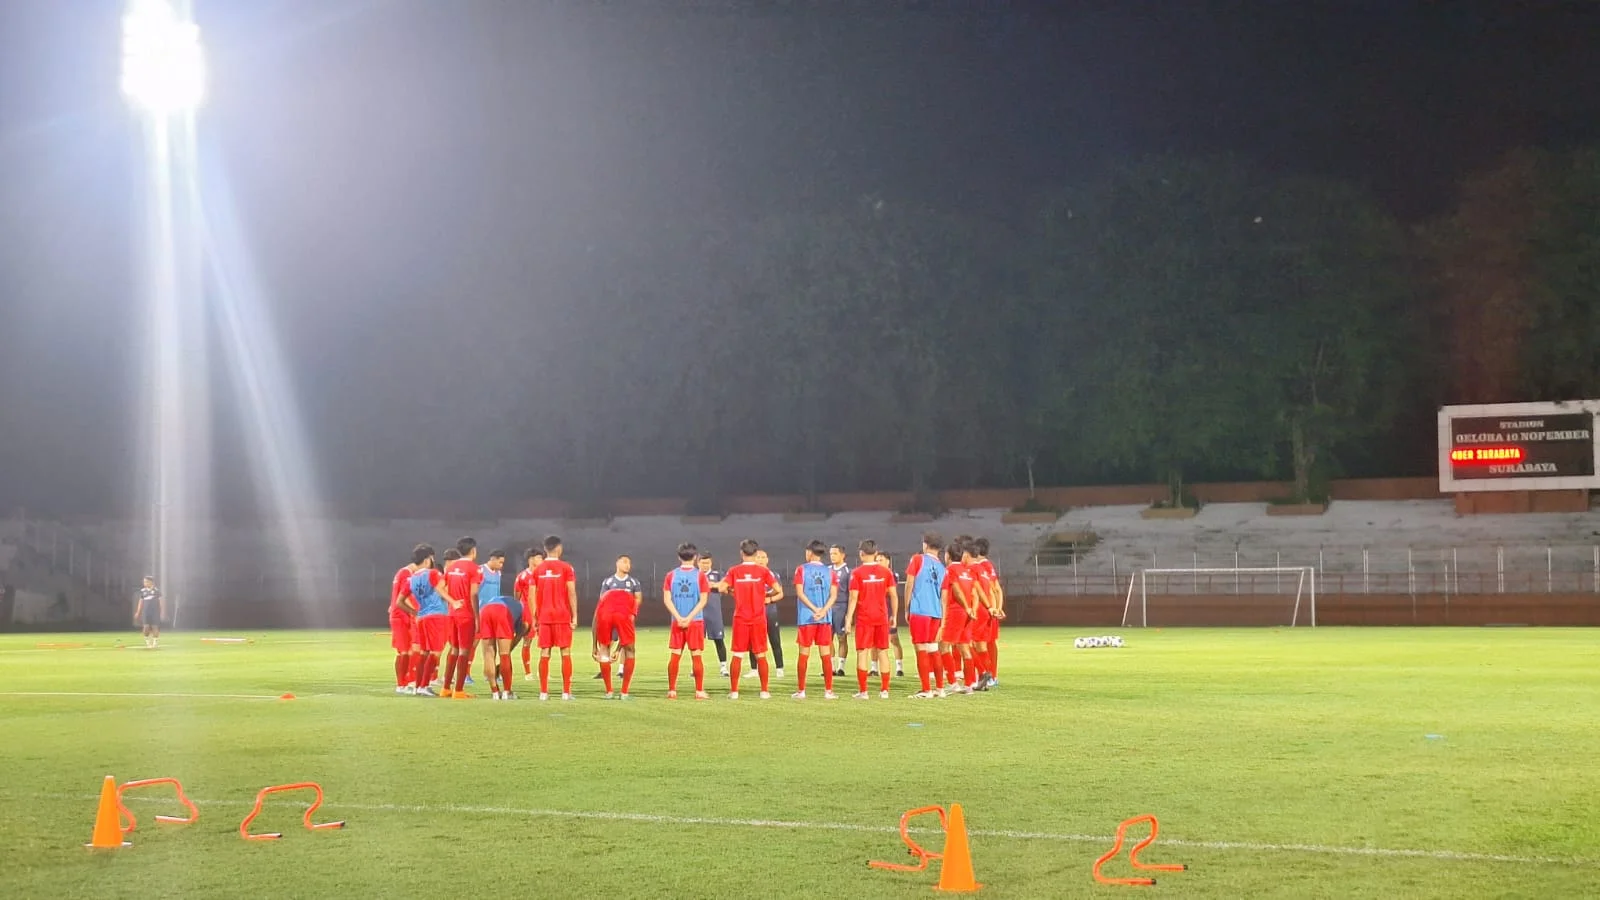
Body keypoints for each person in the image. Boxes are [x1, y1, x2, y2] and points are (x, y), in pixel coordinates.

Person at [725, 539, 781, 699]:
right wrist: (765, 596)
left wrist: (733, 593)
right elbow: (777, 589)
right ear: (756, 554)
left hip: (741, 617)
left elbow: (723, 587)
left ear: (741, 553)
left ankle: (734, 692)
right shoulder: (763, 572)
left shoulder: (734, 570)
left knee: (738, 654)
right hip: (758, 617)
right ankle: (764, 691)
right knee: (761, 654)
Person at [845, 540, 899, 699]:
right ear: (876, 554)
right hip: (881, 617)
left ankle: (864, 692)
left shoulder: (857, 573)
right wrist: (894, 615)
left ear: (861, 553)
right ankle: (884, 691)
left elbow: (853, 598)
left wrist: (848, 620)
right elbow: (894, 595)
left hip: (864, 619)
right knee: (883, 652)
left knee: (863, 653)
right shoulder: (886, 572)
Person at [408, 544, 460, 698]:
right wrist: (454, 602)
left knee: (424, 652)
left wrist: (414, 612)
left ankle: (418, 686)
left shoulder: (413, 578)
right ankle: (424, 685)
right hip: (437, 615)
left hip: (422, 616)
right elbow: (440, 588)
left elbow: (400, 600)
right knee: (436, 652)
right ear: (428, 559)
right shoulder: (433, 574)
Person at [530, 535, 578, 700]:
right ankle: (566, 692)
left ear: (545, 549)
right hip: (562, 615)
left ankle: (543, 692)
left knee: (545, 652)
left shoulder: (537, 570)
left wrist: (534, 618)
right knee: (565, 651)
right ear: (559, 548)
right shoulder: (566, 568)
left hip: (544, 616)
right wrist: (575, 615)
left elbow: (532, 595)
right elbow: (571, 591)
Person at [791, 540, 839, 700]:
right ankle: (828, 691)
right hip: (825, 619)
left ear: (810, 552)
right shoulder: (830, 572)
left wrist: (814, 609)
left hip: (806, 617)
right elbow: (833, 595)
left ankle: (802, 691)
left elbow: (800, 593)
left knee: (804, 653)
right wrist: (823, 610)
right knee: (825, 654)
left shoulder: (801, 570)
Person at [663, 543, 712, 700]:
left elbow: (667, 599)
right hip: (695, 621)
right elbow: (703, 600)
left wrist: (678, 617)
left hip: (677, 621)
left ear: (679, 557)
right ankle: (699, 691)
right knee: (696, 655)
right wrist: (689, 618)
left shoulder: (671, 575)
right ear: (696, 557)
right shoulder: (700, 576)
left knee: (675, 655)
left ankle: (672, 690)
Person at [903, 533, 948, 698]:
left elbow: (909, 584)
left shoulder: (917, 559)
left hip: (920, 610)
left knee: (921, 649)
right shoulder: (943, 568)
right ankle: (940, 688)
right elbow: (944, 597)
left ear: (925, 544)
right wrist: (942, 619)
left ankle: (926, 690)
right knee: (933, 649)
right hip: (936, 612)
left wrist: (906, 607)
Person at [593, 555, 642, 699]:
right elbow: (602, 602)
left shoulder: (633, 582)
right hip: (618, 616)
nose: (628, 565)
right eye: (625, 562)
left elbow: (638, 599)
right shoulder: (608, 581)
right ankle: (623, 692)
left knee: (613, 647)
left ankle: (615, 680)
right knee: (626, 647)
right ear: (617, 563)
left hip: (621, 615)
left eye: (629, 563)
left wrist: (632, 611)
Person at [442, 538, 483, 699]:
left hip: (452, 614)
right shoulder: (475, 569)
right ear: (473, 550)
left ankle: (445, 688)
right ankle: (458, 690)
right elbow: (473, 593)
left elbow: (440, 587)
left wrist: (451, 602)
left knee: (454, 649)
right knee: (465, 651)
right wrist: (477, 617)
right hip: (466, 615)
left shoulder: (451, 567)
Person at [475, 550, 519, 700]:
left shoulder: (497, 574)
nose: (501, 566)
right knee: (491, 650)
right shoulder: (480, 571)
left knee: (488, 652)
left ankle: (494, 690)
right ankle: (506, 690)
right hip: (486, 612)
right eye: (499, 562)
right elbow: (474, 593)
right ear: (492, 559)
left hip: (488, 612)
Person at [940, 540, 981, 694]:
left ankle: (952, 682)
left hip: (956, 611)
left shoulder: (950, 570)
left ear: (948, 555)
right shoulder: (967, 571)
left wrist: (965, 607)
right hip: (967, 613)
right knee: (964, 647)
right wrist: (972, 609)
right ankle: (969, 684)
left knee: (944, 645)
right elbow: (974, 594)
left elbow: (956, 590)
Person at [970, 536, 1005, 689]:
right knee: (988, 643)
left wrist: (994, 608)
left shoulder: (981, 566)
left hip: (983, 610)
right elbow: (997, 588)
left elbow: (989, 589)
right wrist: (998, 607)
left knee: (974, 643)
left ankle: (986, 674)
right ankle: (991, 675)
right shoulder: (987, 565)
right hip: (990, 610)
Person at [747, 548, 785, 679]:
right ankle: (754, 669)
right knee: (753, 641)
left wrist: (769, 599)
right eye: (758, 557)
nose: (761, 560)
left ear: (767, 560)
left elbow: (780, 593)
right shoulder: (750, 575)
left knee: (775, 640)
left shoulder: (773, 575)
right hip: (753, 612)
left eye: (763, 557)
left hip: (769, 611)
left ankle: (780, 668)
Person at [389, 557, 421, 693]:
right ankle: (401, 685)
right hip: (400, 617)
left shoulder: (401, 573)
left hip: (401, 616)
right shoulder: (406, 574)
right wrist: (416, 611)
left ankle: (405, 682)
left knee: (406, 651)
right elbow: (404, 597)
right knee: (405, 651)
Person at [514, 548, 545, 680]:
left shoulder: (544, 574)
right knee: (527, 641)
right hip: (527, 612)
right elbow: (517, 596)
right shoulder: (522, 576)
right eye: (539, 558)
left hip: (543, 610)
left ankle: (543, 672)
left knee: (545, 642)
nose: (541, 560)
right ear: (531, 559)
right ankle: (528, 672)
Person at [697, 553, 730, 676]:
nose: (705, 565)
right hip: (698, 612)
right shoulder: (694, 575)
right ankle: (696, 667)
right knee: (697, 641)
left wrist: (712, 585)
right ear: (698, 563)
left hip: (714, 612)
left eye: (707, 563)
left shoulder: (717, 575)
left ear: (711, 563)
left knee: (719, 639)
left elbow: (724, 588)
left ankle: (723, 667)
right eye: (703, 563)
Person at [875, 551, 906, 678]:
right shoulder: (874, 575)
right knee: (874, 641)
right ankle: (873, 668)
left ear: (888, 561)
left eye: (881, 560)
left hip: (887, 610)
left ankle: (899, 667)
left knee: (894, 639)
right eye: (877, 560)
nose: (878, 562)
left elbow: (890, 592)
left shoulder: (892, 575)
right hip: (875, 611)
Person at [828, 545, 851, 675]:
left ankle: (841, 667)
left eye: (835, 553)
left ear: (842, 555)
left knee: (841, 638)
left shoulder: (848, 571)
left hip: (841, 607)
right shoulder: (827, 570)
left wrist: (849, 614)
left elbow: (851, 593)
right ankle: (830, 667)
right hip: (828, 607)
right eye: (831, 554)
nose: (832, 556)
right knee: (827, 638)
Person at [134, 576, 164, 649]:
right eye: (144, 581)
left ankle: (155, 643)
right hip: (146, 612)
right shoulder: (143, 591)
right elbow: (140, 602)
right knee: (146, 627)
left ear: (151, 582)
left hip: (155, 612)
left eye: (146, 581)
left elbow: (161, 602)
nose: (144, 583)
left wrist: (162, 612)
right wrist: (138, 612)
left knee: (155, 627)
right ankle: (147, 642)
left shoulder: (157, 591)